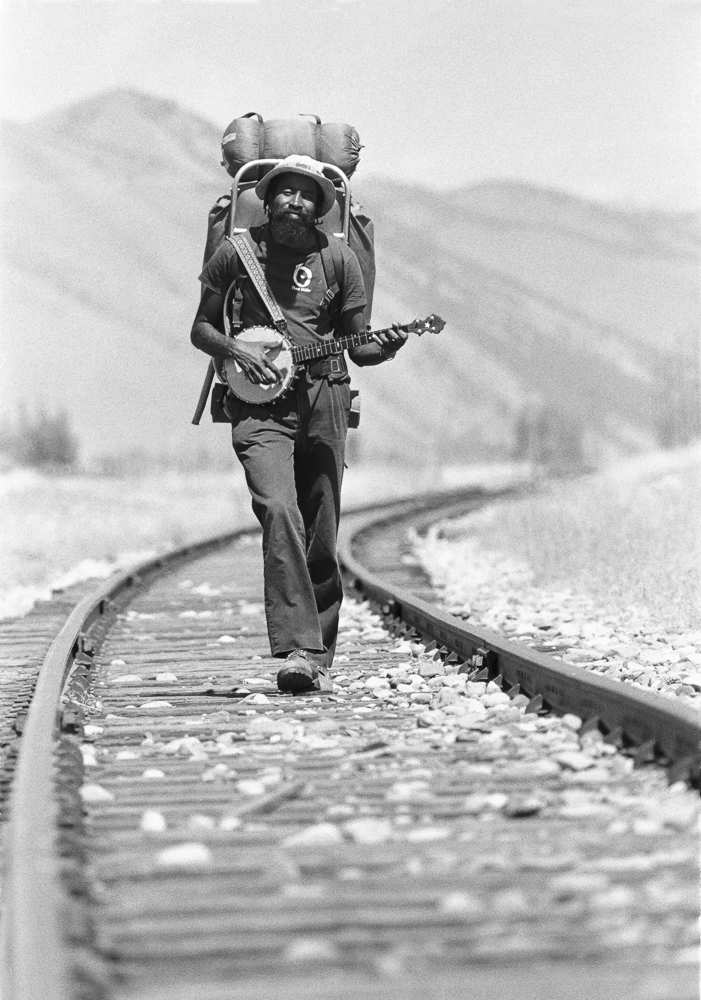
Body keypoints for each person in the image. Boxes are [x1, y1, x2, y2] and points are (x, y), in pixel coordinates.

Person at [191, 155, 407, 694]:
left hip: (324, 396)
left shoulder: (340, 260)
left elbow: (360, 344)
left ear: (320, 208)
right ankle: (299, 649)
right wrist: (234, 345)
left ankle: (318, 655)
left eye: (307, 194)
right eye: (284, 191)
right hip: (259, 403)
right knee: (279, 508)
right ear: (265, 200)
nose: (295, 201)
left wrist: (385, 347)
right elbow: (201, 327)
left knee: (322, 522)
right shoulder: (235, 252)